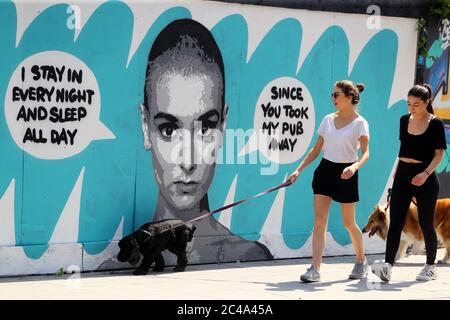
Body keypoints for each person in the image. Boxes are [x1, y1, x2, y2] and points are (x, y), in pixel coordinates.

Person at [139, 19, 272, 263]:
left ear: (223, 125)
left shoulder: (250, 255)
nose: (188, 161)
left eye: (206, 128)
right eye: (168, 129)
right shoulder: (121, 261)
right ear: (146, 127)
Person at [288, 80, 370, 282]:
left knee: (349, 223)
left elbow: (366, 153)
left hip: (347, 173)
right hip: (325, 171)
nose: (333, 99)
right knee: (319, 222)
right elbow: (316, 150)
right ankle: (314, 268)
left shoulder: (361, 123)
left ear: (349, 97)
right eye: (332, 95)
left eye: (336, 95)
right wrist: (298, 170)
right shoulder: (327, 120)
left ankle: (361, 261)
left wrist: (354, 167)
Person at [371, 84, 446, 282]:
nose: (411, 108)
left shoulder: (435, 123)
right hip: (403, 175)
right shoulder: (404, 120)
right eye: (409, 104)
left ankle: (430, 266)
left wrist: (426, 173)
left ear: (427, 102)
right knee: (395, 222)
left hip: (425, 176)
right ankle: (387, 265)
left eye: (416, 105)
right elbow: (404, 149)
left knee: (425, 223)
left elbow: (439, 155)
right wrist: (397, 172)